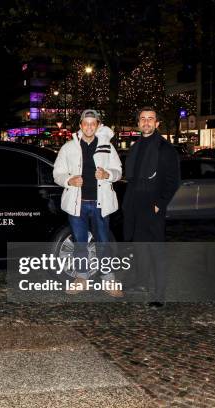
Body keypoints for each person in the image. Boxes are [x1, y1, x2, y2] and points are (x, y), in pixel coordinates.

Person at [53, 109, 123, 297]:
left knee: (103, 242)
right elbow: (57, 174)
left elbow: (118, 171)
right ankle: (81, 278)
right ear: (81, 125)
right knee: (80, 243)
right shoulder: (68, 147)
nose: (89, 127)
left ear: (98, 125)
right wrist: (69, 180)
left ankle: (109, 280)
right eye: (86, 123)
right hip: (77, 203)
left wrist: (108, 174)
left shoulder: (107, 146)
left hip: (101, 203)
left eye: (93, 123)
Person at [123, 106, 181, 309]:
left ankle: (159, 294)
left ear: (157, 123)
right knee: (140, 249)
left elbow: (173, 181)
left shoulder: (165, 149)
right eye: (143, 119)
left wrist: (160, 204)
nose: (146, 122)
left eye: (151, 119)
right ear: (138, 123)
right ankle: (141, 283)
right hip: (136, 205)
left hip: (152, 206)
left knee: (156, 251)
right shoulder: (136, 146)